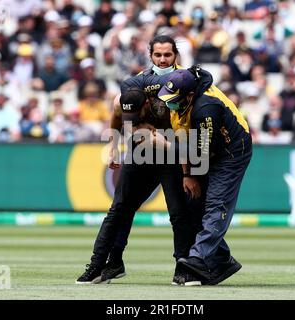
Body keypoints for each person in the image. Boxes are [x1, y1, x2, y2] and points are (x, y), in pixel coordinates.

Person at [76, 35, 201, 285]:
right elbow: (117, 108)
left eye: (167, 54)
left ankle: (183, 267)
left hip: (173, 156)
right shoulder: (136, 82)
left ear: (175, 54)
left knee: (179, 213)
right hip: (142, 153)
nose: (163, 59)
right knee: (120, 209)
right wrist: (113, 145)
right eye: (158, 55)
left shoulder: (186, 81)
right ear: (150, 55)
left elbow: (192, 126)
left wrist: (190, 170)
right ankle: (103, 264)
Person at [150, 67, 253, 285]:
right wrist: (188, 174)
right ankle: (223, 261)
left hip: (231, 152)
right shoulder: (181, 99)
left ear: (189, 95)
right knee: (194, 204)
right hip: (206, 149)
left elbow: (201, 153)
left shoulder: (205, 108)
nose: (169, 105)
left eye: (173, 101)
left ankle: (198, 257)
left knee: (216, 203)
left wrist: (165, 145)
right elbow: (185, 138)